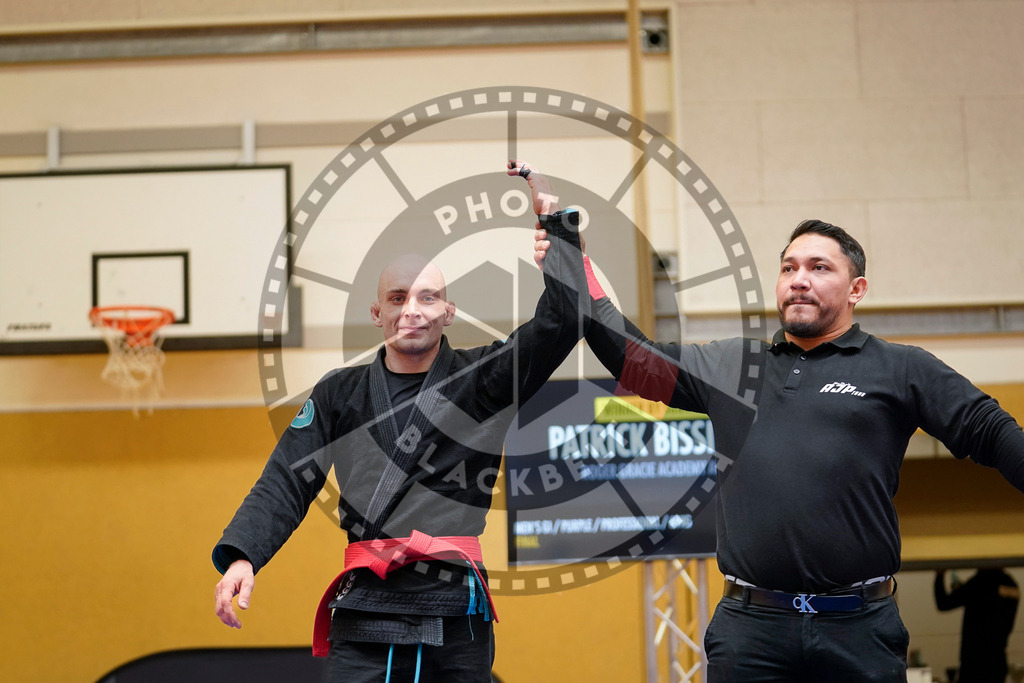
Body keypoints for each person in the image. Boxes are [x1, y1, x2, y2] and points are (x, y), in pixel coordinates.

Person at [535, 218, 1024, 682]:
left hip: (858, 629)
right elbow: (634, 359)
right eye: (789, 268)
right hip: (751, 631)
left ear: (857, 289)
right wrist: (573, 266)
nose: (799, 279)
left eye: (819, 267)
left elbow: (988, 428)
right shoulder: (732, 365)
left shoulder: (902, 368)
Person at [213, 161, 588, 683]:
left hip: (454, 609)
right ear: (378, 314)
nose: (412, 309)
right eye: (398, 298)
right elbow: (286, 479)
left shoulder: (484, 380)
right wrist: (244, 557)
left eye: (427, 297)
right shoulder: (338, 393)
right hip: (365, 607)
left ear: (449, 311)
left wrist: (559, 234)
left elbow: (560, 323)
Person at [935, 567, 1020, 682]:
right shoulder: (1011, 585)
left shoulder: (980, 582)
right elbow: (990, 601)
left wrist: (940, 575)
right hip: (997, 662)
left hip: (974, 663)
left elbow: (943, 603)